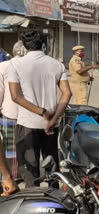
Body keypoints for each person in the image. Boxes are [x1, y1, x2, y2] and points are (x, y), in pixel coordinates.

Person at [8, 30, 72, 187]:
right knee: (53, 169)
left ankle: (33, 203)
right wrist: (53, 119)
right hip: (51, 125)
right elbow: (67, 93)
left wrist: (42, 112)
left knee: (30, 171)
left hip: (27, 125)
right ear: (43, 44)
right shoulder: (57, 64)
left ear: (24, 45)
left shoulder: (16, 64)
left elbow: (15, 96)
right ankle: (56, 203)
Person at [0, 41, 27, 184]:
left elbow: (0, 91)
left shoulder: (3, 66)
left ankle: (11, 177)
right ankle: (20, 174)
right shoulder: (30, 66)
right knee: (25, 147)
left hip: (9, 113)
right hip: (29, 114)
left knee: (9, 148)